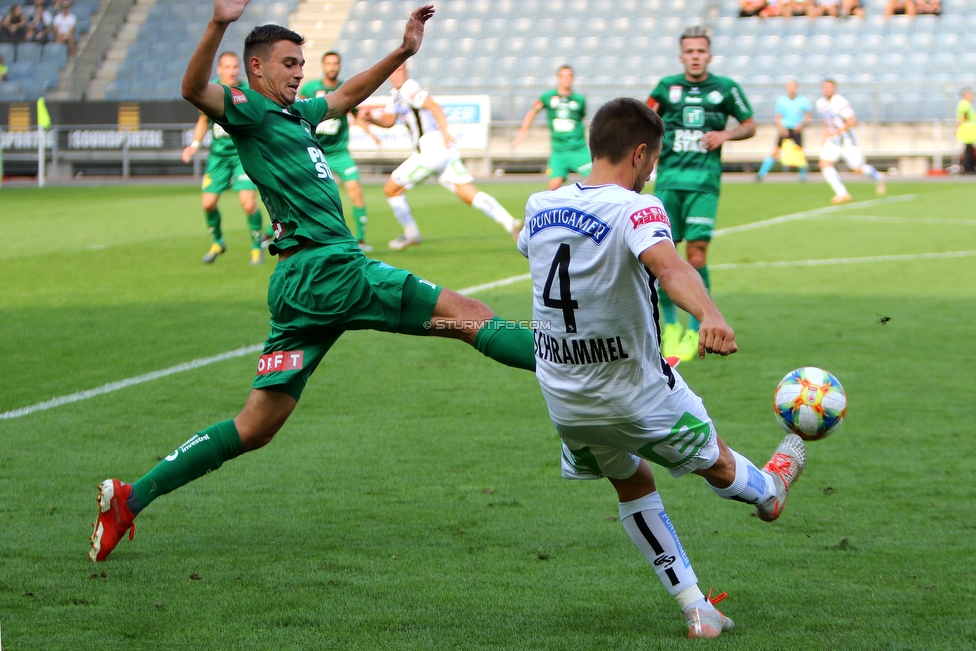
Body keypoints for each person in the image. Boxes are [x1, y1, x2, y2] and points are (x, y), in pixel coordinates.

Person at [89, 2, 537, 563]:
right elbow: (193, 88)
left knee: (255, 428)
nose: (300, 72)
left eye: (302, 63)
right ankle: (589, 361)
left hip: (303, 282)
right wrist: (217, 24)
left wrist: (402, 51)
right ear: (257, 68)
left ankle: (132, 497)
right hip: (332, 271)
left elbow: (346, 94)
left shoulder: (295, 115)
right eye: (289, 63)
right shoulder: (248, 110)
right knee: (470, 316)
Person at [518, 97, 806, 640]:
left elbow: (540, 255)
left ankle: (698, 608)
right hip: (635, 391)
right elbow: (670, 267)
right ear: (641, 152)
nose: (654, 172)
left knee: (632, 479)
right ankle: (770, 490)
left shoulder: (539, 204)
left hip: (564, 398)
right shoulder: (636, 209)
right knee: (716, 463)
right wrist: (710, 314)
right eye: (654, 162)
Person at [646, 25, 755, 363]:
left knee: (696, 255)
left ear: (709, 54)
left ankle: (696, 327)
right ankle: (671, 325)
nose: (695, 57)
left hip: (704, 183)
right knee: (661, 258)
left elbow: (750, 124)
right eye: (689, 51)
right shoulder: (667, 88)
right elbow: (644, 119)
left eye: (701, 51)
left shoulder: (725, 89)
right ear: (682, 56)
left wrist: (726, 134)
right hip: (668, 183)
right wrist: (653, 149)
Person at [363, 62, 521, 250]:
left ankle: (411, 234)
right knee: (468, 193)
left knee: (391, 190)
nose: (397, 74)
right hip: (443, 152)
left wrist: (446, 132)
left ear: (406, 71)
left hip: (431, 150)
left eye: (400, 70)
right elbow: (388, 120)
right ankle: (511, 223)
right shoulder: (396, 95)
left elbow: (433, 105)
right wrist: (371, 118)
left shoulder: (409, 87)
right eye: (393, 71)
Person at [181, 51, 267, 265]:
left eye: (235, 67)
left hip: (242, 156)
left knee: (248, 204)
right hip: (218, 158)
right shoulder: (211, 90)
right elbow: (203, 120)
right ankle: (218, 242)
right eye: (227, 67)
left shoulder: (247, 91)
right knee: (208, 204)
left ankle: (256, 248)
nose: (231, 71)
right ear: (219, 69)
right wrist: (194, 144)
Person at [298, 50, 379, 251]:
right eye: (329, 64)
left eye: (336, 64)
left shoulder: (345, 89)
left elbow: (357, 114)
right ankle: (281, 233)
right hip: (315, 153)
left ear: (339, 66)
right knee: (305, 195)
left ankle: (360, 239)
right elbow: (295, 111)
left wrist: (371, 134)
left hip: (340, 153)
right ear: (323, 66)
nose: (332, 67)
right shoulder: (310, 89)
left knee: (355, 192)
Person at [511, 65, 592, 191]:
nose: (566, 79)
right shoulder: (547, 97)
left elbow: (581, 119)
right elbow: (533, 111)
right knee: (553, 187)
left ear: (573, 78)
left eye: (569, 76)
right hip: (558, 151)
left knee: (598, 180)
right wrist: (523, 132)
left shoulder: (579, 99)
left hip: (578, 149)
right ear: (558, 78)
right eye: (563, 76)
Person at [815, 78, 885, 205]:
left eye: (830, 87)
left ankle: (878, 176)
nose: (827, 90)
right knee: (824, 164)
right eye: (825, 87)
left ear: (834, 89)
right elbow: (827, 121)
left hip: (847, 141)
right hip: (833, 141)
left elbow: (852, 121)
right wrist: (825, 136)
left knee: (857, 169)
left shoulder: (840, 102)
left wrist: (837, 131)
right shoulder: (820, 103)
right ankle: (841, 193)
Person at [756, 78, 812, 182]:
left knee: (800, 153)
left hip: (797, 130)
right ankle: (761, 174)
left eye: (793, 86)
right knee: (775, 152)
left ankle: (803, 176)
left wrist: (801, 125)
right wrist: (782, 128)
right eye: (789, 87)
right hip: (785, 129)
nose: (791, 89)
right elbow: (777, 118)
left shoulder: (803, 100)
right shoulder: (781, 101)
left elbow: (808, 116)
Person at [957, 87, 976, 174]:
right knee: (968, 150)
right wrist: (957, 127)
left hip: (969, 130)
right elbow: (963, 117)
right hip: (967, 130)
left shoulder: (966, 104)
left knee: (969, 149)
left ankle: (969, 167)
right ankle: (968, 168)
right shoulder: (964, 104)